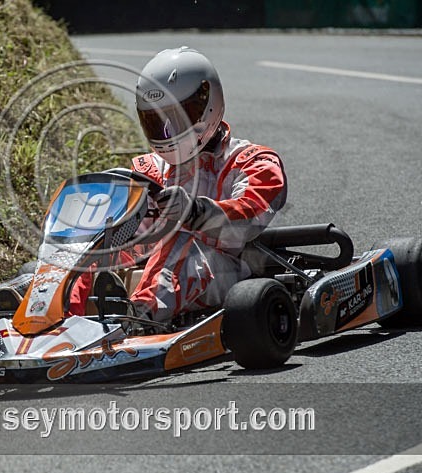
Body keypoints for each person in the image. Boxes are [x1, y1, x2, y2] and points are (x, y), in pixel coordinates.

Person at [70, 46, 287, 322]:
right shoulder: (147, 170)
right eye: (156, 120)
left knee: (178, 239)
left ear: (208, 102)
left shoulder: (253, 161)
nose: (166, 132)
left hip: (228, 271)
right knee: (88, 246)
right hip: (155, 269)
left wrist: (196, 211)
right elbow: (133, 237)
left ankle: (137, 319)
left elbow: (250, 215)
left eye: (176, 117)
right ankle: (55, 317)